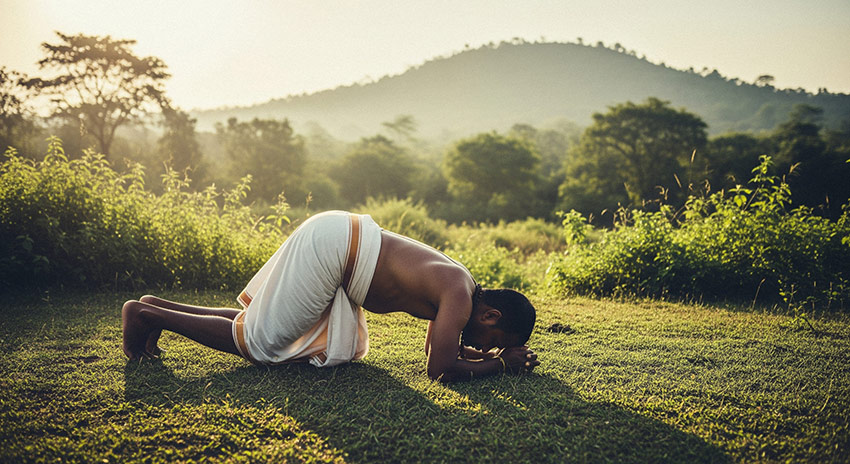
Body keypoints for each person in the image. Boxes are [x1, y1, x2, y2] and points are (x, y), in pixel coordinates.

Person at [122, 210, 539, 382]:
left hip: (340, 236)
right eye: (493, 339)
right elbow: (438, 367)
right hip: (337, 248)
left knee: (262, 328)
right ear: (490, 316)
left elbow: (437, 346)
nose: (482, 345)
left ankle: (155, 307)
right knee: (264, 344)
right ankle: (147, 317)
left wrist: (486, 356)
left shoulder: (460, 285)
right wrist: (500, 364)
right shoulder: (459, 296)